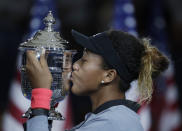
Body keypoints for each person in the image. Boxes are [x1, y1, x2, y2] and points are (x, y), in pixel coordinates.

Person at [25, 29, 169, 131]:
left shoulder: (115, 123)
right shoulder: (110, 118)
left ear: (108, 76)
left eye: (85, 60)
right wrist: (48, 103)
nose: (75, 65)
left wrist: (41, 93)